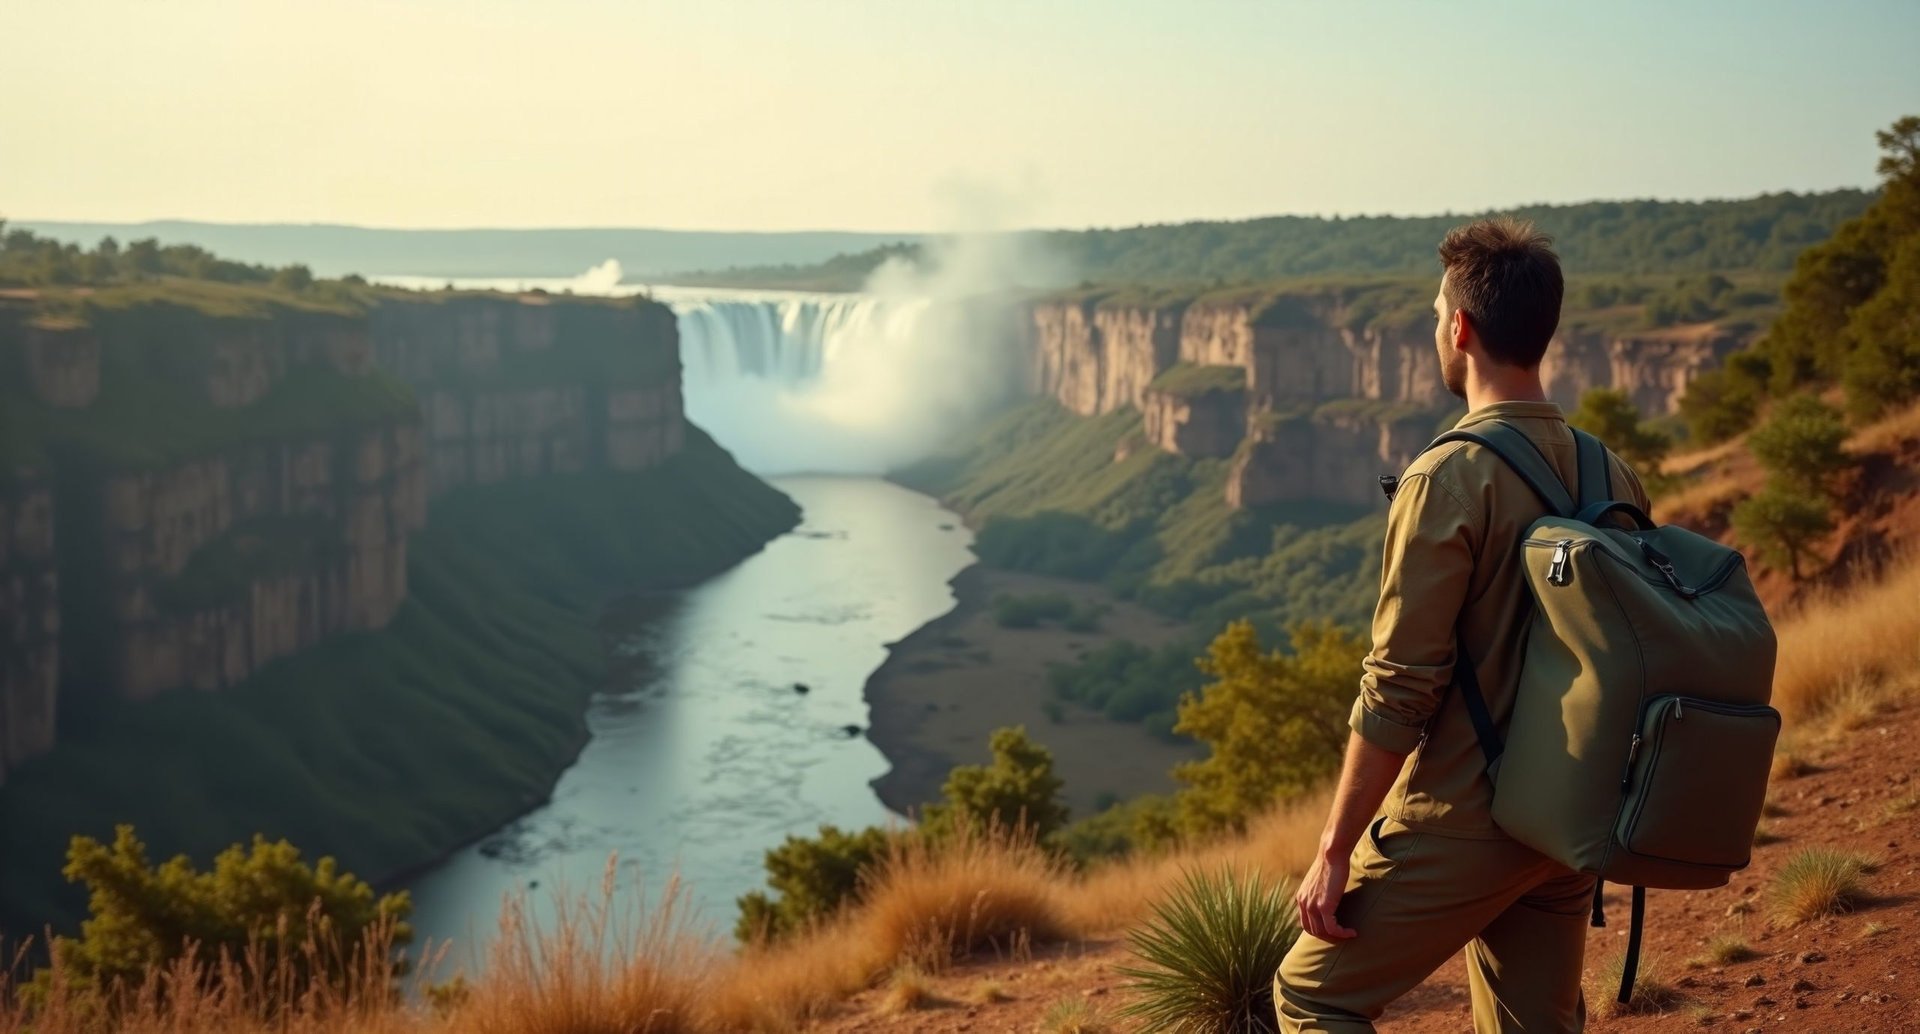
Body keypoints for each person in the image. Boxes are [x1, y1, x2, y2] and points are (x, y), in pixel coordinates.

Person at [1274, 219, 1651, 1033]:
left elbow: (1399, 688)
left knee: (1311, 995)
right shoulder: (1607, 467)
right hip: (1572, 813)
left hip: (1469, 818)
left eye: (1435, 313)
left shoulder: (1447, 476)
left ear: (1460, 328)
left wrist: (1336, 850)